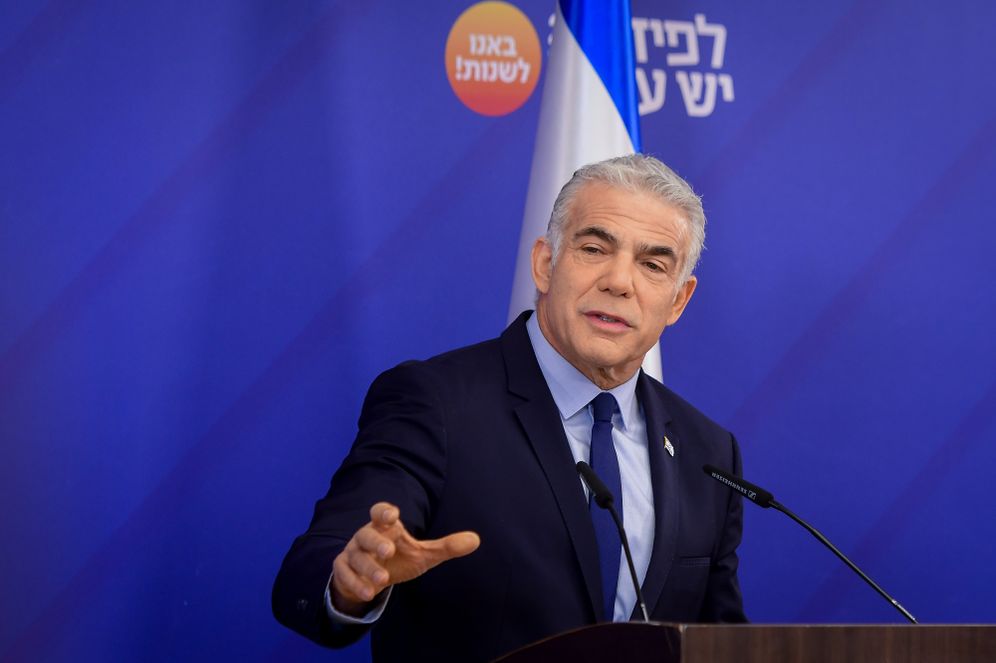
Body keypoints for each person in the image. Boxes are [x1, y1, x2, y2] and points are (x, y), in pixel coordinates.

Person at [272, 154, 747, 661]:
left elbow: (720, 640)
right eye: (593, 248)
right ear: (545, 263)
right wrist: (350, 580)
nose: (619, 281)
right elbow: (320, 560)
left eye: (653, 265)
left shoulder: (708, 452)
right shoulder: (435, 402)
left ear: (678, 301)